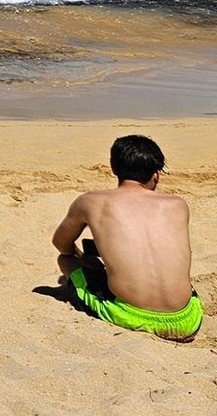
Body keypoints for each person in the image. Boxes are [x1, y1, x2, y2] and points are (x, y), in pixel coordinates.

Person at [52, 134, 202, 341]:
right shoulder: (177, 204)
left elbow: (61, 244)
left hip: (130, 316)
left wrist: (82, 257)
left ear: (114, 169)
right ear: (156, 174)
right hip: (187, 320)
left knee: (65, 259)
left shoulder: (90, 201)